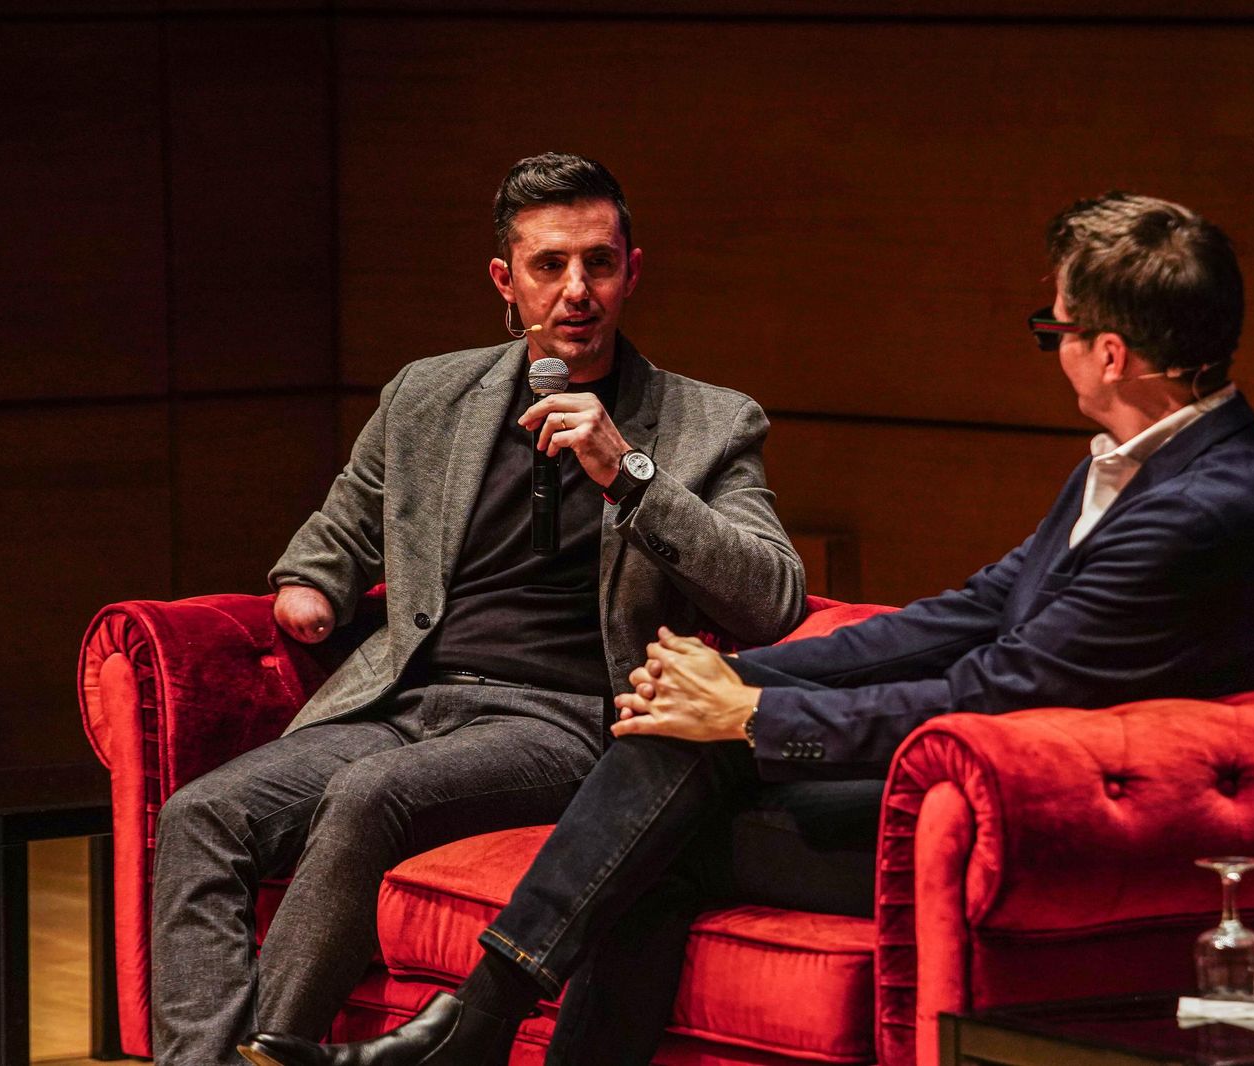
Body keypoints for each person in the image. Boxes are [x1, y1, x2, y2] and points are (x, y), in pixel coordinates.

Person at [237, 191, 1254, 1066]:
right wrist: (742, 674)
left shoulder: (1197, 509)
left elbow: (999, 684)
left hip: (1022, 810)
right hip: (967, 772)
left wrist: (749, 711)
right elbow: (966, 613)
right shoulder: (1139, 460)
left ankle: (474, 1024)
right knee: (661, 789)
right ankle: (479, 1026)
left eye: (1051, 330)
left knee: (670, 795)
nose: (1049, 347)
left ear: (1108, 352)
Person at [149, 152, 806, 1066]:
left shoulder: (709, 422)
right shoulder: (429, 396)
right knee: (198, 816)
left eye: (599, 264)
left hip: (562, 721)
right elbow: (345, 525)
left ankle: (276, 1050)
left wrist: (632, 474)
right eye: (550, 265)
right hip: (404, 700)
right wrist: (312, 587)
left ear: (632, 272)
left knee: (368, 797)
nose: (577, 291)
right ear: (506, 278)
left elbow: (774, 595)